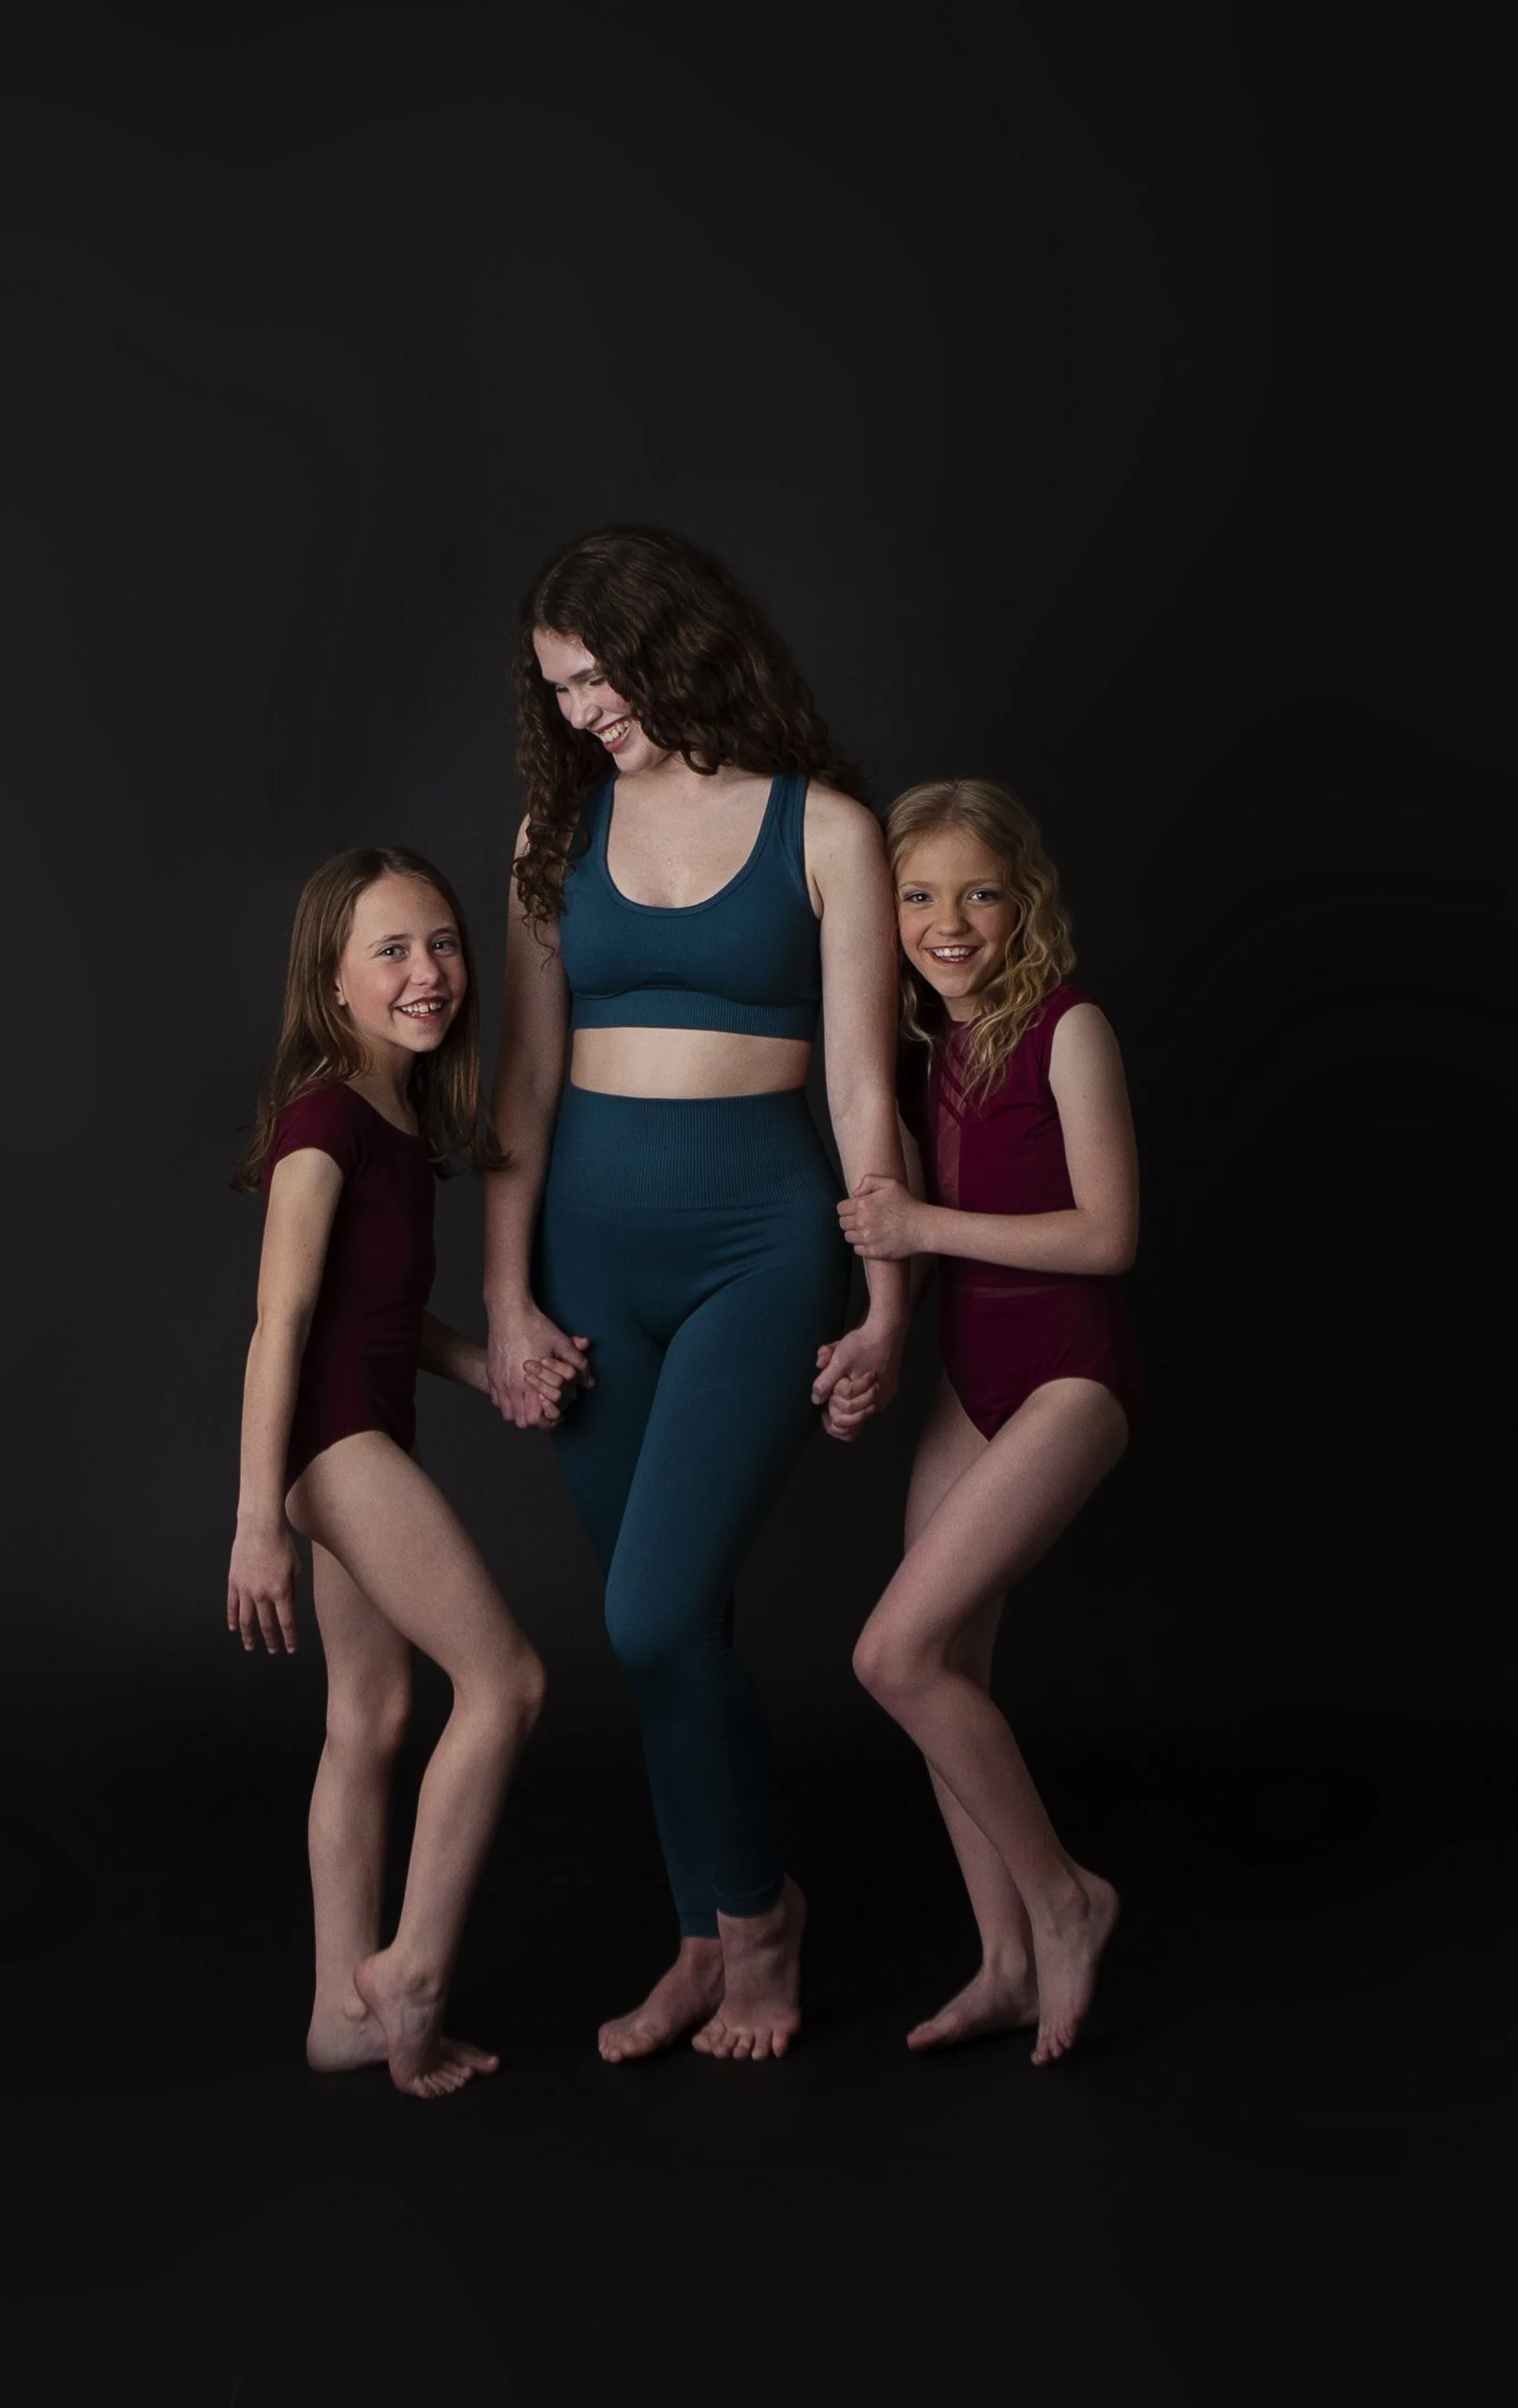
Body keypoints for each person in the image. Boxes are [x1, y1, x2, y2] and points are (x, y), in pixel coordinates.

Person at [485, 526, 908, 2064]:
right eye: (558, 687)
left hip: (759, 1250)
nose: (581, 708)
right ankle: (701, 1936)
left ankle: (761, 1919)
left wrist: (886, 1300)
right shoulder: (554, 831)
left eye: (595, 675)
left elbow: (864, 1086)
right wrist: (509, 1296)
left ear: (672, 647)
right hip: (589, 1258)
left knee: (654, 1607)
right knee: (672, 1629)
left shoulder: (828, 831)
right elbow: (519, 1088)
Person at [228, 847, 560, 2099]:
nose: (428, 974)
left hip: (360, 1433)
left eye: (442, 944)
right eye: (391, 952)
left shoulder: (395, 1117)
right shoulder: (323, 1121)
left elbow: (380, 1318)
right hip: (332, 1447)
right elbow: (282, 1322)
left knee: (367, 1721)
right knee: (507, 1681)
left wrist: (493, 1371)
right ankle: (408, 1970)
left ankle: (336, 2012)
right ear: (333, 983)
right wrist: (260, 1517)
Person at [838, 778, 1140, 2066]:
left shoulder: (1069, 1029)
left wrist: (918, 1228)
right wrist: (876, 1332)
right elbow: (889, 1242)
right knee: (944, 1669)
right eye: (917, 894)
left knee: (890, 1655)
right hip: (968, 1381)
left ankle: (1067, 1899)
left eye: (976, 892)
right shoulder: (915, 1048)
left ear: (1023, 903)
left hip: (1069, 1378)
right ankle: (1004, 1962)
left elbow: (1107, 1236)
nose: (946, 921)